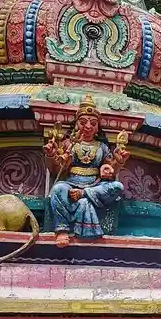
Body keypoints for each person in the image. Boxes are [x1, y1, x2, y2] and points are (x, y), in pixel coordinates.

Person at [44, 95, 128, 247]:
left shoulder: (102, 147)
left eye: (93, 123)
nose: (88, 126)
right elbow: (56, 169)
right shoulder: (69, 144)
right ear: (77, 124)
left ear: (97, 127)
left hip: (94, 185)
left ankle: (84, 196)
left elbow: (110, 171)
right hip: (72, 183)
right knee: (57, 189)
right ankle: (61, 230)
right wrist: (52, 155)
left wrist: (119, 161)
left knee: (117, 187)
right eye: (83, 122)